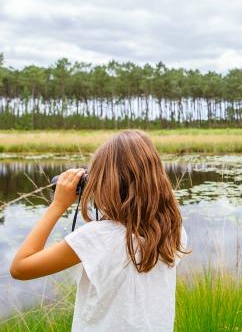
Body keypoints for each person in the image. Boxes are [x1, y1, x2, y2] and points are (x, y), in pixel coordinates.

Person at [10, 130, 187, 331]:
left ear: (106, 183)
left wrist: (58, 205)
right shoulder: (174, 229)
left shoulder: (98, 237)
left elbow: (20, 268)